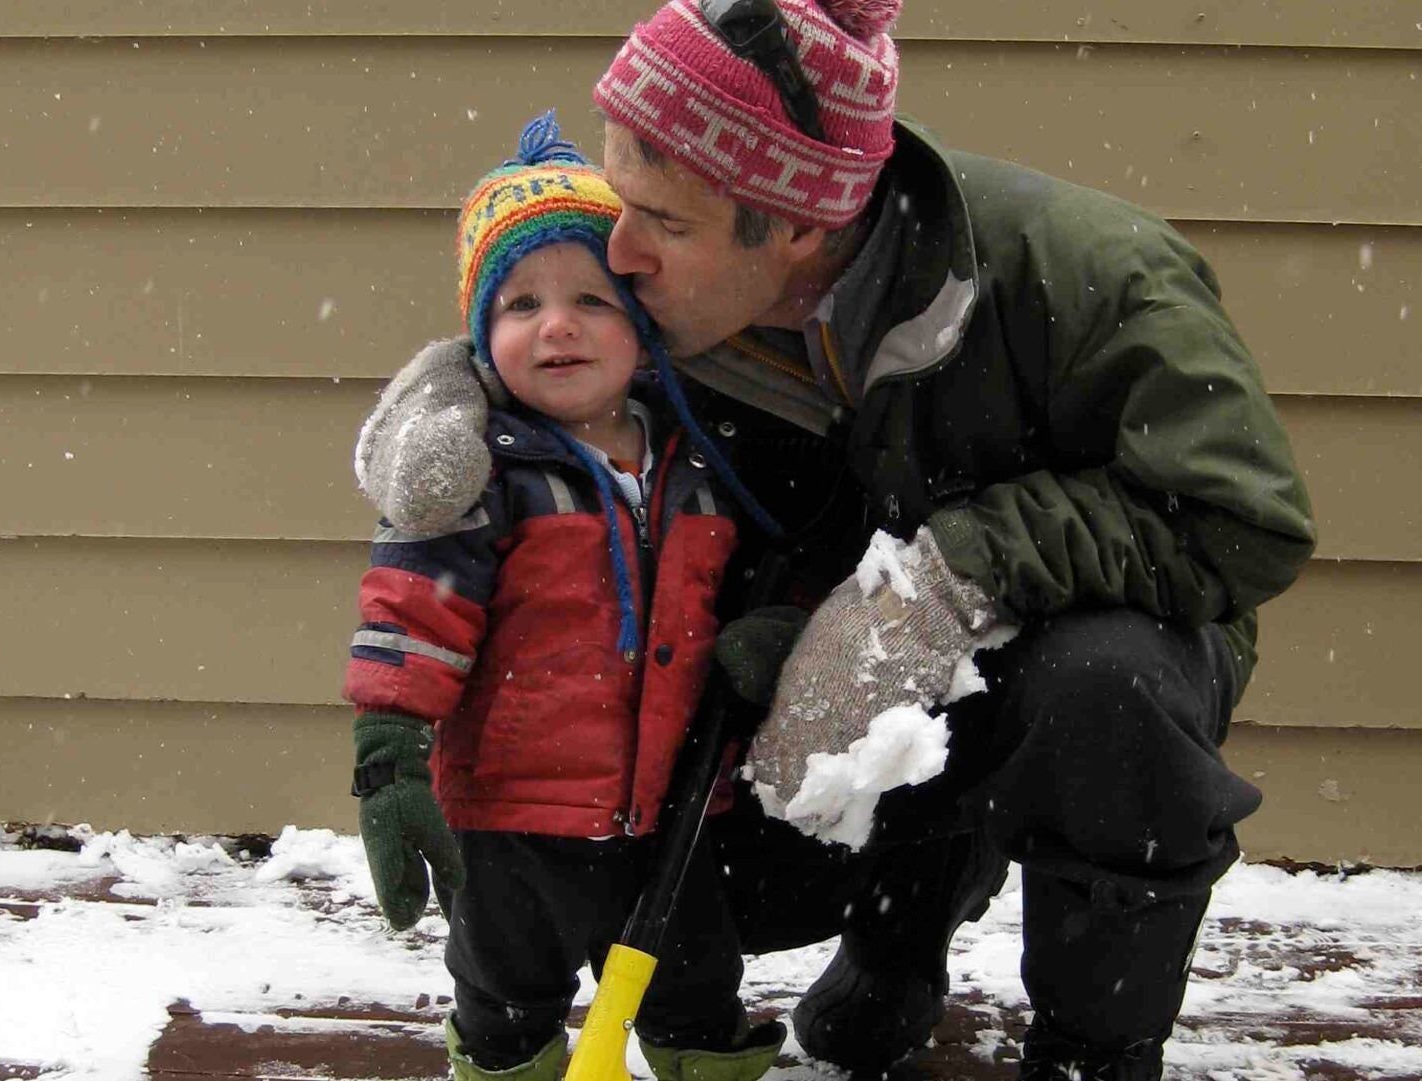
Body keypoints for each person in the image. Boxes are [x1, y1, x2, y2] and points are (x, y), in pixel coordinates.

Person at [358, 0, 1319, 1076]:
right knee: (701, 805)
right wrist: (430, 405)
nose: (617, 253)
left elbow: (1244, 521)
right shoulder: (688, 294)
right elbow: (523, 353)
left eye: (662, 224)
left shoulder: (1088, 275)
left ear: (799, 228)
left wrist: (948, 580)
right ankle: (894, 946)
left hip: (1071, 648)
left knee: (1106, 688)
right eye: (620, 200)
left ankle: (1094, 1047)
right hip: (811, 643)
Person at [343, 112, 787, 1081]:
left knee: (694, 978)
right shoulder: (484, 478)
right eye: (520, 304)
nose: (557, 325)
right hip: (510, 811)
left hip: (669, 806)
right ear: (479, 335)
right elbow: (413, 612)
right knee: (506, 982)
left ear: (642, 328)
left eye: (592, 297)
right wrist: (389, 753)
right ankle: (509, 1060)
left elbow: (746, 589)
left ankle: (699, 1055)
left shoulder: (698, 467)